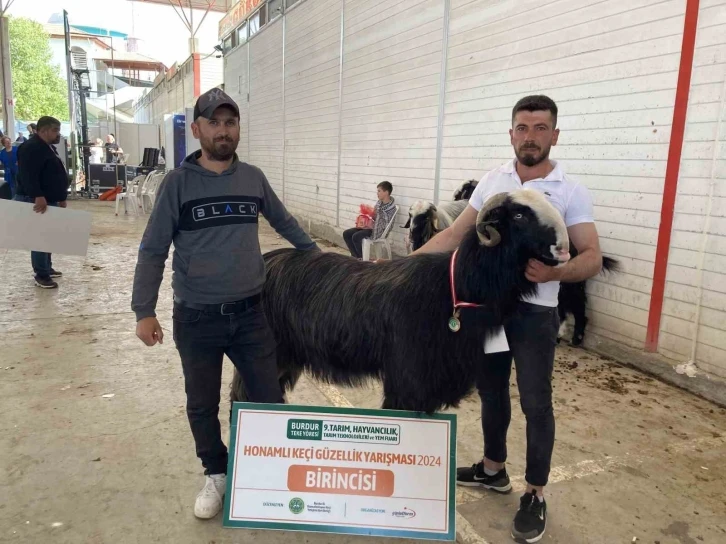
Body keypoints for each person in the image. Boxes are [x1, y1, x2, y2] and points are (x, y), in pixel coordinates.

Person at [413, 95, 603, 543]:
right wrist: (401, 268)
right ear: (511, 133)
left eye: (540, 128)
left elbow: (591, 256)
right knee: (490, 390)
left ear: (554, 135)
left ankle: (535, 491)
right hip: (490, 309)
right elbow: (456, 234)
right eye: (522, 127)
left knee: (536, 401)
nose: (530, 136)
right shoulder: (493, 181)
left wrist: (559, 271)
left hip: (536, 313)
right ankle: (493, 468)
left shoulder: (571, 190)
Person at [131, 87, 319, 521]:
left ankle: (264, 472)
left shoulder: (252, 178)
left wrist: (322, 261)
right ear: (197, 129)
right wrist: (144, 309)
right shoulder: (178, 184)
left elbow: (284, 221)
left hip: (251, 314)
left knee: (268, 398)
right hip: (196, 318)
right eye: (213, 122)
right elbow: (153, 248)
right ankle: (216, 472)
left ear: (238, 129)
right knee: (201, 402)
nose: (223, 130)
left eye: (230, 122)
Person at [14, 116, 69, 289]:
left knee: (48, 235)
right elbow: (28, 175)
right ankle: (41, 274)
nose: (58, 133)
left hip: (50, 198)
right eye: (55, 130)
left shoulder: (47, 147)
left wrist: (61, 197)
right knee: (39, 237)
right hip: (37, 200)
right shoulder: (31, 147)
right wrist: (37, 195)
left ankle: (47, 266)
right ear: (43, 130)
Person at [342, 181, 396, 259]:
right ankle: (355, 256)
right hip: (371, 227)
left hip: (378, 231)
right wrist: (366, 217)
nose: (377, 193)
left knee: (356, 236)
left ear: (386, 192)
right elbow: (374, 216)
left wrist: (376, 215)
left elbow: (386, 223)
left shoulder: (391, 208)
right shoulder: (379, 203)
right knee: (346, 233)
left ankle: (361, 259)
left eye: (379, 191)